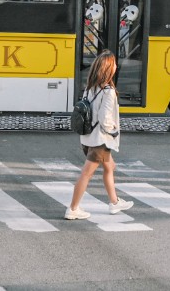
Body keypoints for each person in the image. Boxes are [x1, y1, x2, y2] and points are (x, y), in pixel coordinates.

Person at [65, 50, 134, 219]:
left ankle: (114, 202)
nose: (117, 66)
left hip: (88, 138)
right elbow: (105, 119)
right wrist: (114, 131)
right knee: (86, 174)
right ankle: (73, 209)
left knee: (110, 167)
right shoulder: (108, 91)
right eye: (114, 64)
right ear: (109, 68)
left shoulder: (90, 88)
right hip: (100, 140)